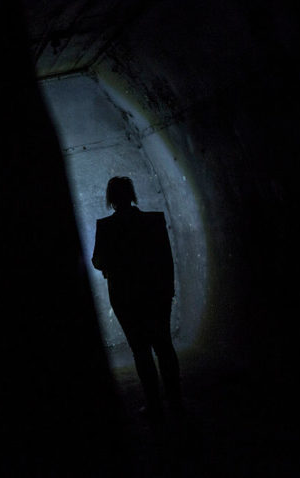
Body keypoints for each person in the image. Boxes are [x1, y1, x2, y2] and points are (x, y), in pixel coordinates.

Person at [92, 176, 182, 419]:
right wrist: (168, 289)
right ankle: (176, 401)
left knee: (140, 350)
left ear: (111, 199)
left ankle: (155, 404)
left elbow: (98, 261)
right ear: (131, 194)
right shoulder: (153, 221)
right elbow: (166, 259)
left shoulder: (106, 227)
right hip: (156, 294)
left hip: (124, 297)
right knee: (163, 346)